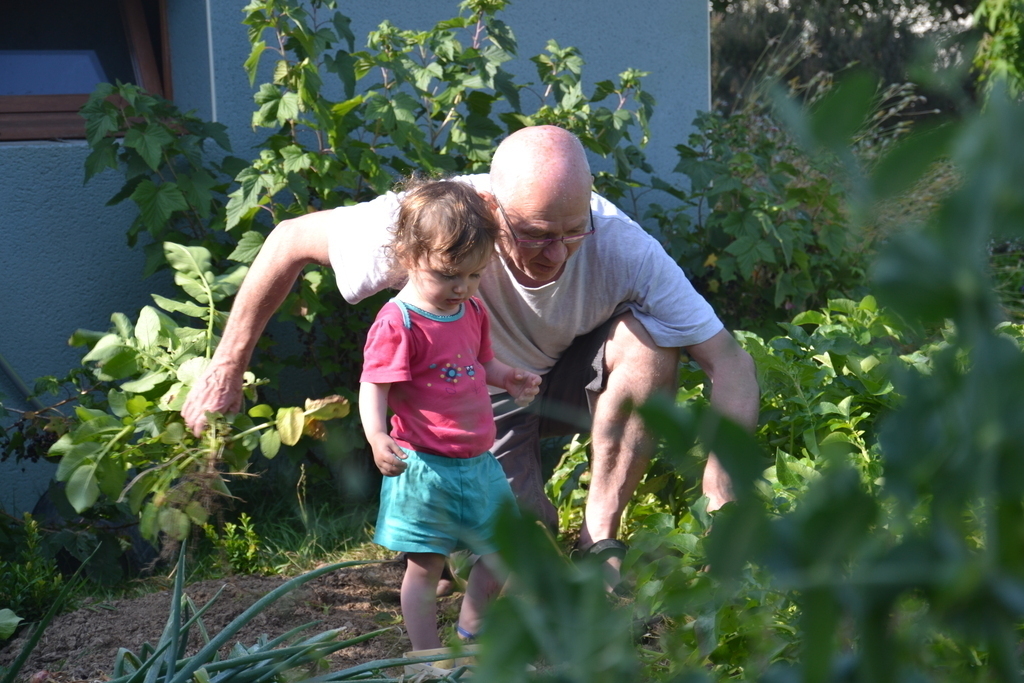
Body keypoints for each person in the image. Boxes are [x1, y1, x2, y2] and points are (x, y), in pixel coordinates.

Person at [182, 124, 759, 588]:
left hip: (556, 379)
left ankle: (600, 536)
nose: (556, 253)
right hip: (465, 407)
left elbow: (730, 364)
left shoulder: (618, 242)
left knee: (652, 341)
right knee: (513, 560)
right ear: (490, 206)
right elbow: (286, 240)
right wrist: (226, 368)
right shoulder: (438, 221)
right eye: (535, 234)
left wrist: (723, 497)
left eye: (571, 232)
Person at [359, 178, 540, 652]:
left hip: (479, 463)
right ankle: (424, 656)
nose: (462, 287)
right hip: (425, 467)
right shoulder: (399, 322)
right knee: (426, 566)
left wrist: (509, 377)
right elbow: (373, 387)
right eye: (448, 275)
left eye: (474, 275)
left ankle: (471, 633)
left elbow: (482, 363)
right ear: (409, 255)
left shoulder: (472, 310)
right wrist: (378, 437)